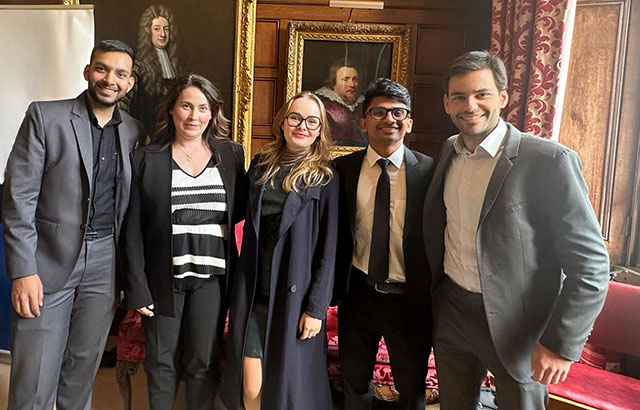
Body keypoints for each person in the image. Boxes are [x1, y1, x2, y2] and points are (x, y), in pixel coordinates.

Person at [423, 50, 610, 409]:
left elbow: (591, 265)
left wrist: (561, 344)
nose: (470, 105)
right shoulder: (449, 151)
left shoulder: (549, 161)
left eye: (482, 94)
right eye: (459, 96)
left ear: (503, 98)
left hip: (519, 326)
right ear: (447, 103)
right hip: (452, 314)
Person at [2, 39, 143, 410]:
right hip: (46, 262)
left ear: (130, 83)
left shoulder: (134, 131)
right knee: (34, 378)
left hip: (106, 265)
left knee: (81, 374)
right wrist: (23, 271)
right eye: (101, 68)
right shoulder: (45, 117)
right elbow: (18, 200)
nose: (109, 79)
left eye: (120, 73)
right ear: (87, 71)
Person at [120, 73, 246, 410]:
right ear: (172, 110)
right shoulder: (148, 158)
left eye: (202, 108)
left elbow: (242, 215)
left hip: (212, 281)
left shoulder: (231, 155)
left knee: (202, 364)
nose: (194, 116)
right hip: (163, 279)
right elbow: (132, 229)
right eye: (186, 106)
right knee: (161, 364)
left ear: (212, 112)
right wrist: (137, 288)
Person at [222, 91, 339, 410]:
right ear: (283, 122)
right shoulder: (261, 164)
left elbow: (329, 249)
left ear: (319, 130)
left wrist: (316, 307)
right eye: (295, 118)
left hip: (295, 294)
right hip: (256, 288)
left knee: (288, 387)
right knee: (250, 385)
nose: (302, 125)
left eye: (311, 121)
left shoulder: (325, 177)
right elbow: (235, 210)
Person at [334, 78, 434, 410]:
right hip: (358, 295)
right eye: (378, 112)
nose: (388, 119)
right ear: (363, 122)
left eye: (398, 112)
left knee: (411, 390)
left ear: (409, 122)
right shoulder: (342, 170)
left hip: (410, 300)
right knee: (354, 384)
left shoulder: (430, 172)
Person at [121, 4, 181, 138]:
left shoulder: (176, 64)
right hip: (146, 134)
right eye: (157, 29)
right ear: (148, 31)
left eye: (166, 29)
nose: (163, 34)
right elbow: (123, 103)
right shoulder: (137, 65)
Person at [315, 60, 366, 146]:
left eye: (355, 80)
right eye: (345, 80)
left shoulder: (363, 105)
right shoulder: (325, 106)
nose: (352, 85)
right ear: (333, 83)